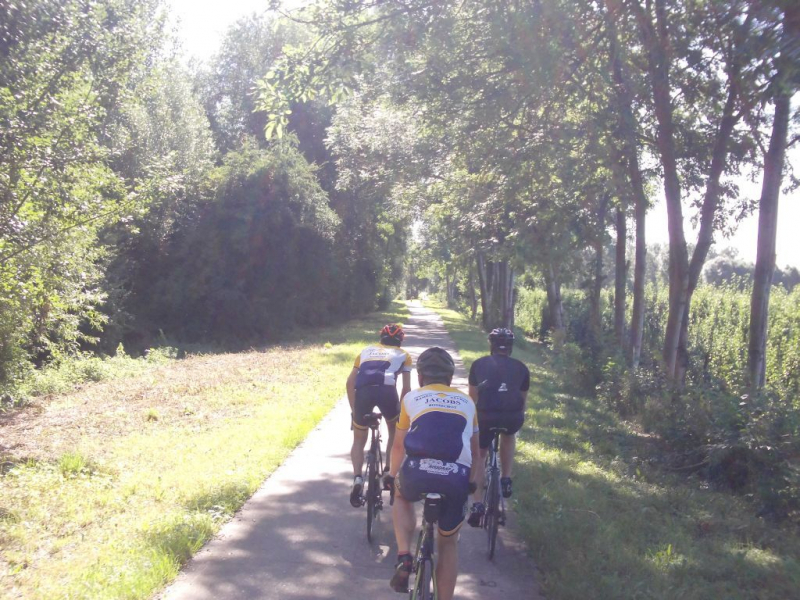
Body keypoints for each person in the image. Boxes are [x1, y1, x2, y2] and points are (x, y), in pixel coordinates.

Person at [383, 347, 478, 600]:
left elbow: (399, 445)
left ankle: (404, 555)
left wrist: (392, 477)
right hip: (455, 476)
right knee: (448, 544)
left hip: (417, 472)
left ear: (421, 377)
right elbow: (476, 452)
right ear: (449, 377)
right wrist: (471, 483)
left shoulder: (412, 398)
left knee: (401, 496)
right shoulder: (468, 402)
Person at [466, 327, 529, 527]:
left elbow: (472, 400)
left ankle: (477, 504)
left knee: (480, 455)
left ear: (491, 346)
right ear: (510, 348)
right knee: (509, 435)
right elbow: (522, 401)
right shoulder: (521, 367)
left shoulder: (478, 365)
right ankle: (506, 478)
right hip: (512, 417)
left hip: (484, 417)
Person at [346, 324, 412, 508]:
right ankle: (388, 471)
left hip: (363, 393)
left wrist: (354, 411)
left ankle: (358, 477)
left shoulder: (365, 351)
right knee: (393, 430)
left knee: (359, 439)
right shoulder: (404, 355)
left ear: (380, 338)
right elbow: (406, 389)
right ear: (400, 340)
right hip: (387, 392)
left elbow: (350, 382)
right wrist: (403, 416)